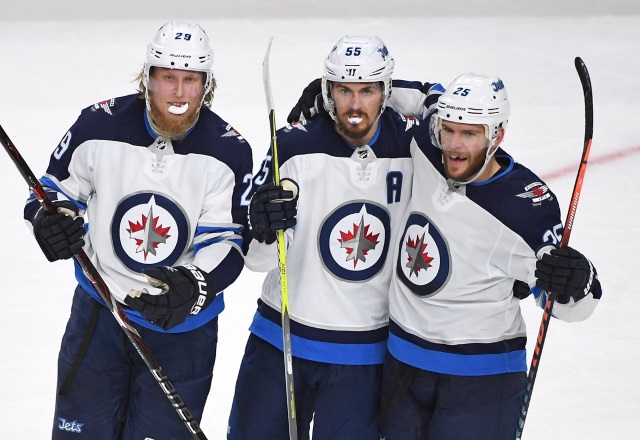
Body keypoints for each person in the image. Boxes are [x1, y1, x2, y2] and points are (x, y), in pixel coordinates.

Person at [24, 21, 253, 439]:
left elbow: (226, 241)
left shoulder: (228, 150)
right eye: (168, 77)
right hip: (100, 313)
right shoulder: (98, 125)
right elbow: (56, 190)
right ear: (147, 78)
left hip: (182, 330)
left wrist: (197, 284)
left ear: (207, 84)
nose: (179, 92)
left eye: (190, 80)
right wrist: (49, 219)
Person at [226, 35, 442, 439]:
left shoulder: (413, 146)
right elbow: (255, 260)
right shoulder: (293, 145)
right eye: (343, 90)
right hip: (281, 341)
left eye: (368, 90)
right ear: (327, 91)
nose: (355, 106)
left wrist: (396, 97)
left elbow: (449, 113)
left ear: (387, 91)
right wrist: (262, 228)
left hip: (364, 355)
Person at [378, 73, 602, 440]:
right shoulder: (426, 144)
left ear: (496, 135)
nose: (453, 144)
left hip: (481, 381)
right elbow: (422, 97)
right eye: (447, 130)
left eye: (470, 134)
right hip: (403, 366)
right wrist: (329, 91)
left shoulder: (524, 208)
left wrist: (578, 279)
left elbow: (565, 303)